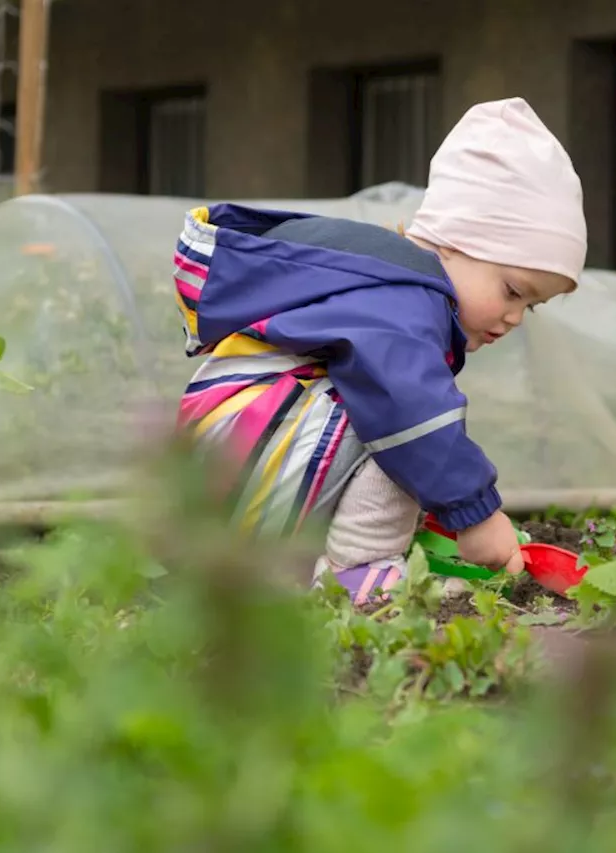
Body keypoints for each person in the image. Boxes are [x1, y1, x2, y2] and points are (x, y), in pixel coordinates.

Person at [171, 97, 586, 606]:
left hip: (236, 460)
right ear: (452, 242)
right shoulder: (406, 298)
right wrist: (475, 513)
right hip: (249, 452)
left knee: (405, 420)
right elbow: (410, 413)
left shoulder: (383, 283)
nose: (515, 317)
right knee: (411, 424)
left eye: (532, 306)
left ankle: (286, 569)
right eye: (513, 291)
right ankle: (358, 569)